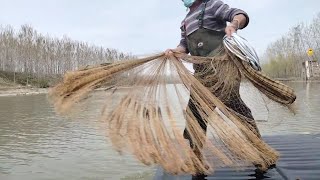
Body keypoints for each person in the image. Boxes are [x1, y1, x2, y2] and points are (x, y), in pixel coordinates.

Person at [165, 0, 262, 178]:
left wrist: (233, 25)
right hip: (202, 75)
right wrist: (175, 51)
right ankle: (197, 160)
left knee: (237, 110)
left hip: (223, 71)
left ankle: (260, 153)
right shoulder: (185, 21)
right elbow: (184, 47)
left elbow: (240, 14)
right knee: (194, 117)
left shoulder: (211, 5)